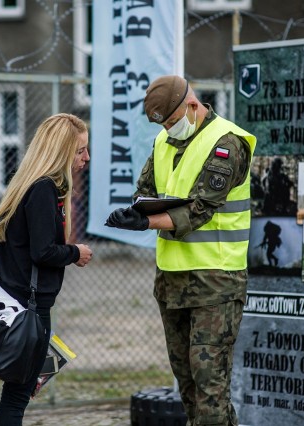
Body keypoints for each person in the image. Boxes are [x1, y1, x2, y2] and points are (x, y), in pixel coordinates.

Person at [105, 75, 256, 426]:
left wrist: (147, 223)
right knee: (188, 385)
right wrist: (134, 211)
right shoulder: (164, 141)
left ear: (192, 105)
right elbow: (146, 188)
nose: (169, 130)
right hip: (172, 282)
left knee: (210, 387)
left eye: (173, 122)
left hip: (216, 283)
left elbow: (202, 208)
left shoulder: (227, 143)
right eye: (164, 125)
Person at [0, 113, 93, 426]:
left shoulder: (30, 186)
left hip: (21, 301)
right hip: (30, 308)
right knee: (17, 396)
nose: (86, 158)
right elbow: (43, 251)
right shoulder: (42, 190)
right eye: (79, 151)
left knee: (17, 392)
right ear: (60, 153)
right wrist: (76, 252)